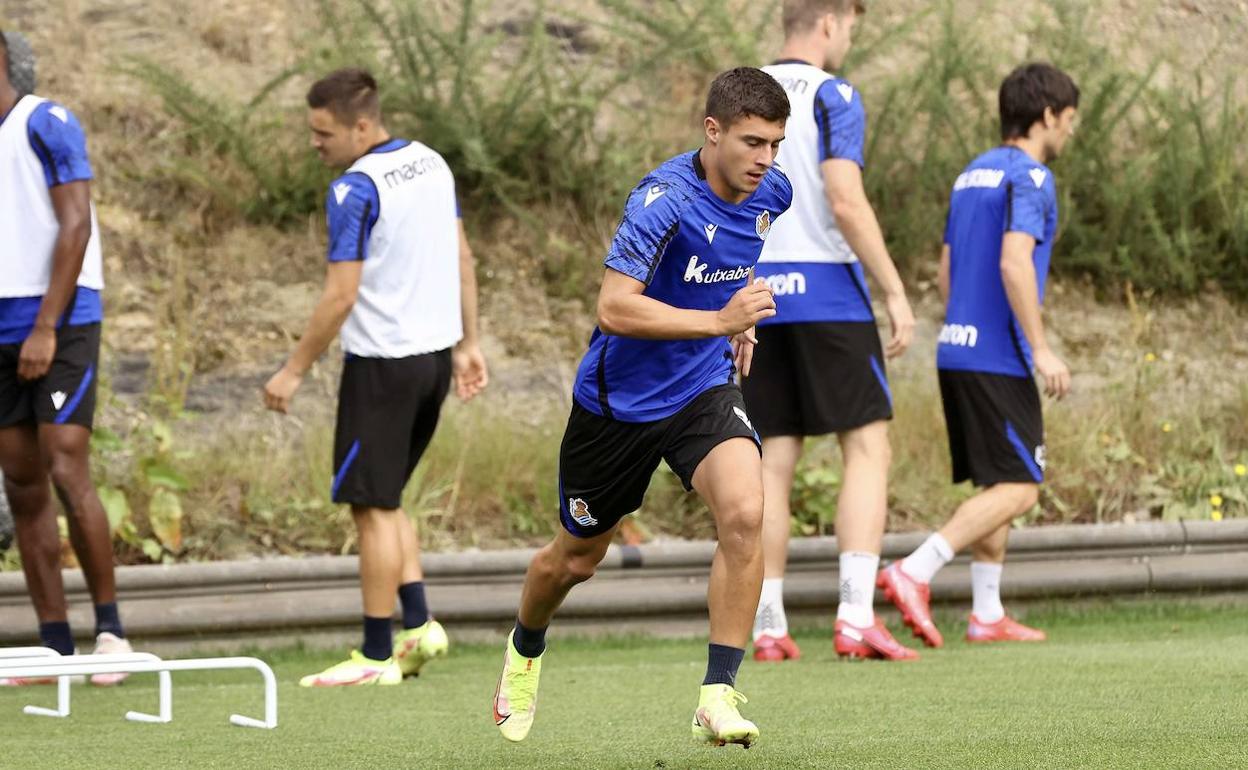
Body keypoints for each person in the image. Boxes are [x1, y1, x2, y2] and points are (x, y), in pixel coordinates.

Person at [492, 67, 792, 748]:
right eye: (752, 142)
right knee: (573, 561)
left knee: (746, 511)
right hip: (617, 405)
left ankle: (717, 694)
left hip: (701, 388)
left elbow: (731, 257)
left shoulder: (771, 192)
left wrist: (738, 319)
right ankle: (525, 647)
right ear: (712, 132)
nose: (765, 159)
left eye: (775, 143)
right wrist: (721, 319)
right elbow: (614, 306)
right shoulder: (662, 200)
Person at [263, 68, 489, 686]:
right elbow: (463, 258)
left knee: (369, 507)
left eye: (323, 132)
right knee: (387, 501)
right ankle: (418, 626)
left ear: (361, 126)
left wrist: (291, 371)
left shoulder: (353, 189)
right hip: (433, 360)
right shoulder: (431, 163)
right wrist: (470, 343)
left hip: (383, 368)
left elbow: (340, 296)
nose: (316, 143)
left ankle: (374, 654)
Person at [878, 62, 1079, 647]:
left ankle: (987, 612)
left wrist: (965, 322)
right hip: (998, 354)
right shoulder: (1033, 177)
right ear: (1046, 117)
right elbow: (1015, 262)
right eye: (1068, 121)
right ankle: (914, 571)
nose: (1069, 133)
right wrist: (1040, 349)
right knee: (1021, 487)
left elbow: (947, 269)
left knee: (997, 481)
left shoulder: (971, 175)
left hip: (956, 348)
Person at [748, 0, 918, 662]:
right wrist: (895, 289)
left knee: (771, 462)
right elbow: (844, 198)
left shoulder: (742, 92)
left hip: (758, 299)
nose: (849, 37)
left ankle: (766, 625)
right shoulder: (834, 94)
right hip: (830, 298)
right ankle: (853, 617)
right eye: (850, 25)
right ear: (828, 22)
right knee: (867, 447)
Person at [0, 28, 133, 685]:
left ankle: (110, 633)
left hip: (61, 319)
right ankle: (54, 646)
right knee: (21, 481)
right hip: (0, 329)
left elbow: (75, 224)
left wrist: (46, 326)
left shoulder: (46, 122)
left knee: (64, 462)